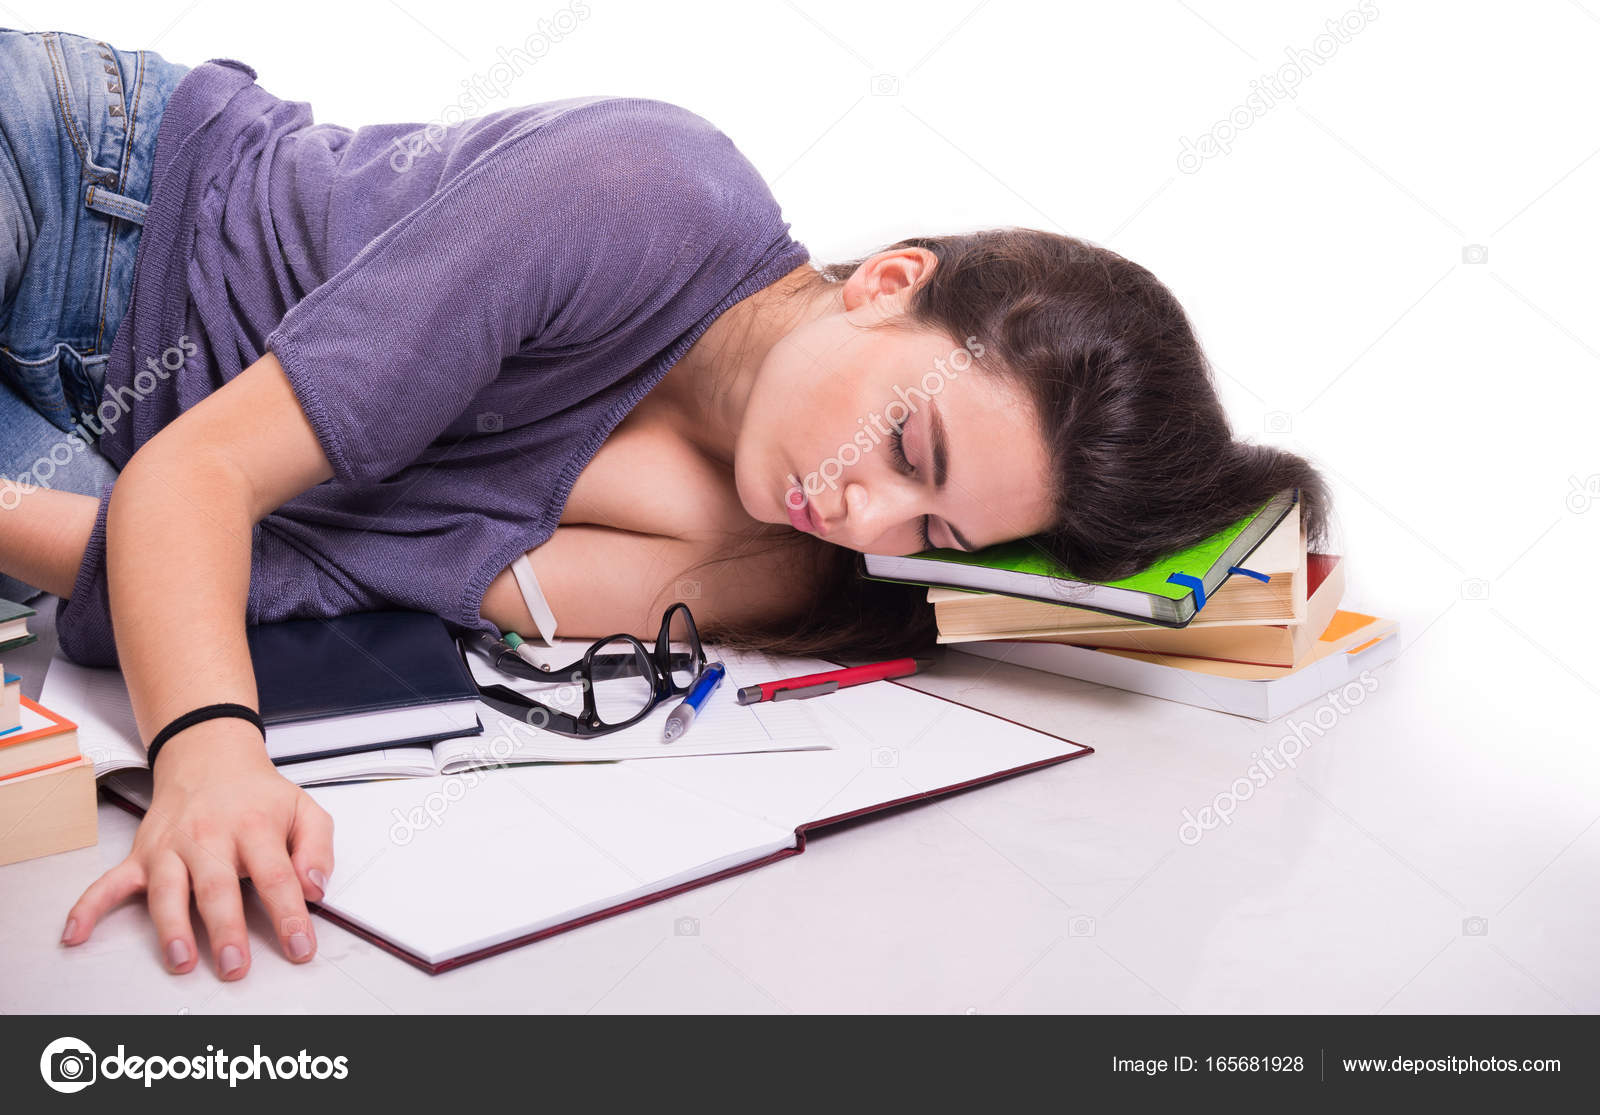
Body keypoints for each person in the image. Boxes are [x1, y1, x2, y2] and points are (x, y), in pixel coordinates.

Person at [1, 29, 1328, 981]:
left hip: (73, 444)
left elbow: (271, 577)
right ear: (889, 283)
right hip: (82, 183)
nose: (863, 514)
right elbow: (202, 480)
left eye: (931, 533)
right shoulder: (642, 189)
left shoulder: (775, 563)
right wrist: (213, 753)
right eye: (908, 447)